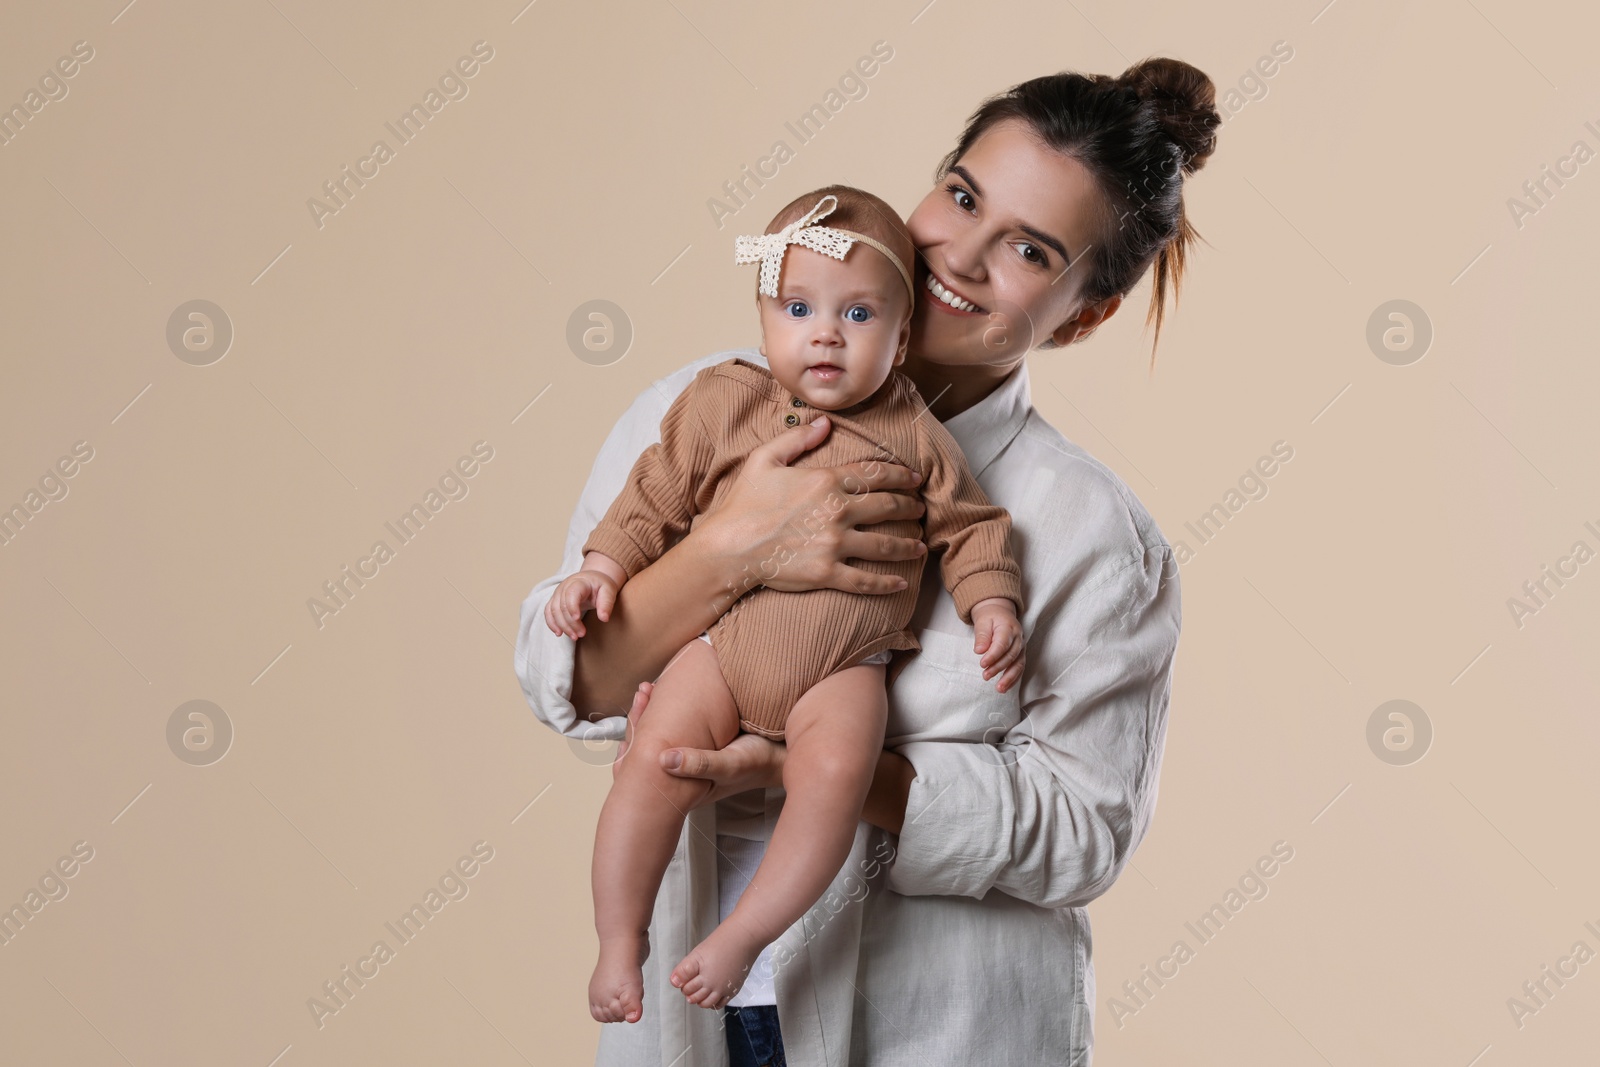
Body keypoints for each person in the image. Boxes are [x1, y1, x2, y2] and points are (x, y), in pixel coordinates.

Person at [516, 56, 1219, 1066]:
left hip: (935, 1027)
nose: (960, 258)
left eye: (1027, 248)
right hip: (684, 1018)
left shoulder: (1094, 535)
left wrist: (842, 776)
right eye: (961, 196)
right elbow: (568, 682)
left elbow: (1083, 831)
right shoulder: (703, 407)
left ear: (1083, 312)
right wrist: (725, 548)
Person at [546, 185, 1027, 1023]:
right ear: (765, 314)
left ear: (903, 335)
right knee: (654, 760)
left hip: (843, 669)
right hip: (725, 645)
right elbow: (651, 497)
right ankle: (619, 939)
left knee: (836, 775)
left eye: (860, 315)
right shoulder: (720, 400)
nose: (825, 333)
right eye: (798, 307)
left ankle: (744, 935)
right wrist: (598, 567)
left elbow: (971, 527)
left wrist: (992, 603)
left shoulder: (916, 430)